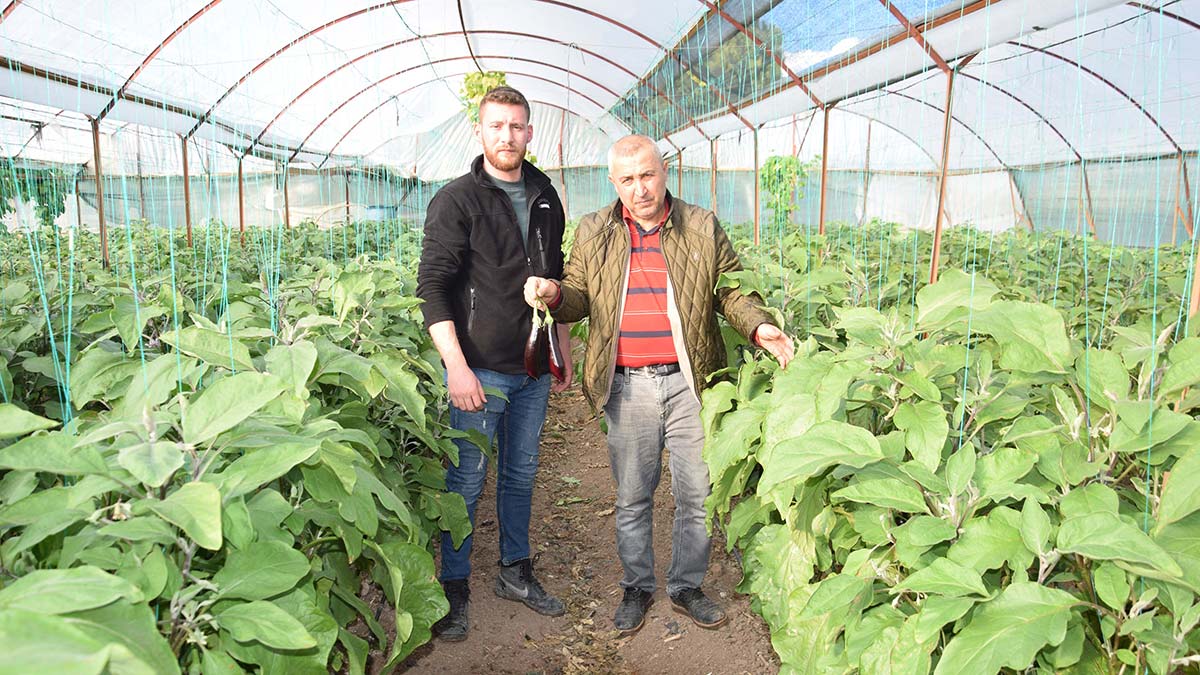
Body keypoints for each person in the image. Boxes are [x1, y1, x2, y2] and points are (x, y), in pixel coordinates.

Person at [523, 135, 794, 635]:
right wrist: (556, 293)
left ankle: (687, 585)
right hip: (626, 387)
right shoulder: (594, 230)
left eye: (647, 175)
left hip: (693, 384)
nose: (639, 188)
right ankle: (637, 587)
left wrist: (757, 326)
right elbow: (580, 296)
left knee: (697, 493)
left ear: (664, 170)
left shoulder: (701, 226)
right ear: (614, 182)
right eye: (627, 179)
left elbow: (729, 289)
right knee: (632, 495)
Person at [417, 86, 571, 642]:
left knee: (522, 471)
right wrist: (456, 368)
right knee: (466, 476)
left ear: (530, 133)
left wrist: (563, 347)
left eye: (517, 126)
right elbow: (433, 289)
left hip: (531, 365)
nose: (508, 136)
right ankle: (453, 587)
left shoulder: (545, 193)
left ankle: (514, 570)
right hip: (478, 369)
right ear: (480, 132)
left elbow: (559, 274)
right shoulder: (456, 200)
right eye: (497, 126)